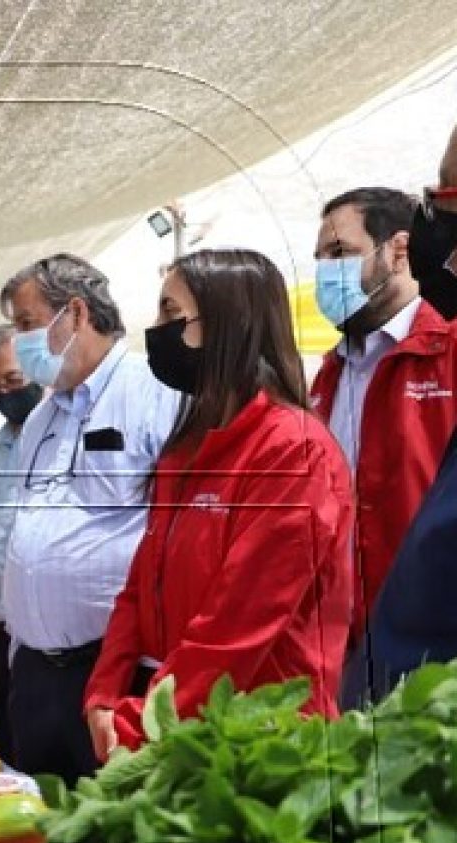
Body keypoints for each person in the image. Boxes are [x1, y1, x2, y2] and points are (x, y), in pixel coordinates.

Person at [85, 249, 354, 760]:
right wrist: (104, 694)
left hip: (261, 742)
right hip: (181, 724)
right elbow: (140, 588)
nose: (158, 329)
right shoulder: (187, 449)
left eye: (172, 313)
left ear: (232, 323)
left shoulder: (293, 451)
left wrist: (144, 722)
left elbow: (240, 624)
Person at [0, 254, 179, 786]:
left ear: (75, 313)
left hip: (111, 670)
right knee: (42, 829)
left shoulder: (155, 392)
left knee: (112, 827)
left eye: (28, 324)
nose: (20, 341)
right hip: (34, 675)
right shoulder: (41, 417)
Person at [311, 187, 457, 638]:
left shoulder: (448, 356)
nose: (326, 270)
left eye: (340, 252)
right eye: (320, 258)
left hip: (433, 633)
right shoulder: (327, 378)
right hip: (344, 636)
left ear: (398, 250)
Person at [345, 125, 457, 706]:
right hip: (374, 656)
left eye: (448, 200)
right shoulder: (330, 372)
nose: (437, 223)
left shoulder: (441, 348)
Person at [0, 324, 43, 765]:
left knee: (39, 753)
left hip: (39, 628)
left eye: (13, 381)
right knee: (9, 750)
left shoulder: (55, 432)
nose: (3, 393)